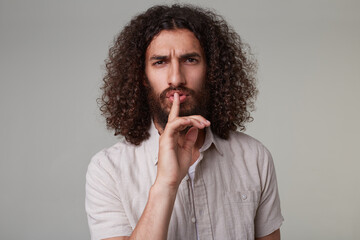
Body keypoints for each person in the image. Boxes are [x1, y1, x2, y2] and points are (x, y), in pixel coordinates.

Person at [86, 4, 284, 240]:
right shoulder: (108, 170)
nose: (176, 78)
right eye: (160, 62)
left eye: (190, 60)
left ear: (211, 70)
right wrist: (166, 184)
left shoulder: (254, 157)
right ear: (142, 76)